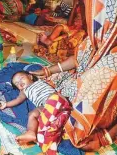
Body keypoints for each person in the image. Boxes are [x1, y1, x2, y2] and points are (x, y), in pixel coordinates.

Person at [30, 0, 117, 152]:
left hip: (98, 113)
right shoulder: (97, 36)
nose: (92, 18)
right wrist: (48, 71)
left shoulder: (112, 61)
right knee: (37, 83)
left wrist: (105, 138)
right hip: (79, 92)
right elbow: (78, 59)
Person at [0, 71, 67, 143]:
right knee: (32, 114)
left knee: (53, 97)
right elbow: (18, 100)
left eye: (21, 78)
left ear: (30, 77)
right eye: (17, 83)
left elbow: (48, 76)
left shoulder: (39, 81)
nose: (20, 82)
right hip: (45, 106)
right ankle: (31, 132)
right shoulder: (24, 91)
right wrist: (6, 104)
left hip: (55, 98)